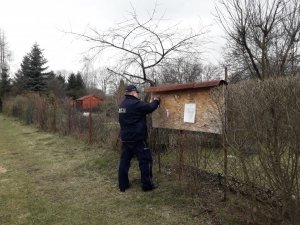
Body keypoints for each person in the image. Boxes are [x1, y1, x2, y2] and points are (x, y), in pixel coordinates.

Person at [118, 84, 160, 192]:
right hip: (138, 140)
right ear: (133, 93)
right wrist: (156, 100)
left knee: (124, 162)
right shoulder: (136, 103)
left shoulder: (122, 105)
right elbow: (150, 107)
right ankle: (147, 185)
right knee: (145, 161)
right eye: (137, 92)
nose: (137, 94)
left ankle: (123, 185)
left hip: (126, 139)